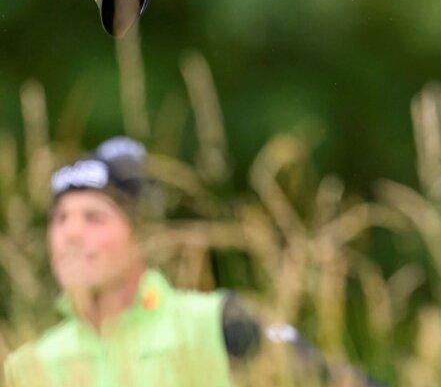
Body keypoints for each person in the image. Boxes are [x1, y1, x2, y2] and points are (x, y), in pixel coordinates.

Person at [3, 137, 380, 387]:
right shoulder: (27, 366)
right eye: (59, 218)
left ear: (141, 234)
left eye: (94, 217)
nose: (70, 233)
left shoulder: (214, 322)